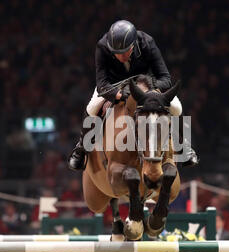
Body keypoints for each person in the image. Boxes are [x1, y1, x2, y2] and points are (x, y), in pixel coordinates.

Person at [68, 20, 199, 171]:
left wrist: (151, 93)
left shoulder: (147, 42)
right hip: (113, 85)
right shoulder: (103, 46)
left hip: (146, 85)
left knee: (176, 106)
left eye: (124, 51)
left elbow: (165, 78)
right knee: (92, 108)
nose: (120, 56)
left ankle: (184, 146)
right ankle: (81, 149)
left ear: (133, 44)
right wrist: (117, 94)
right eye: (116, 53)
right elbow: (101, 82)